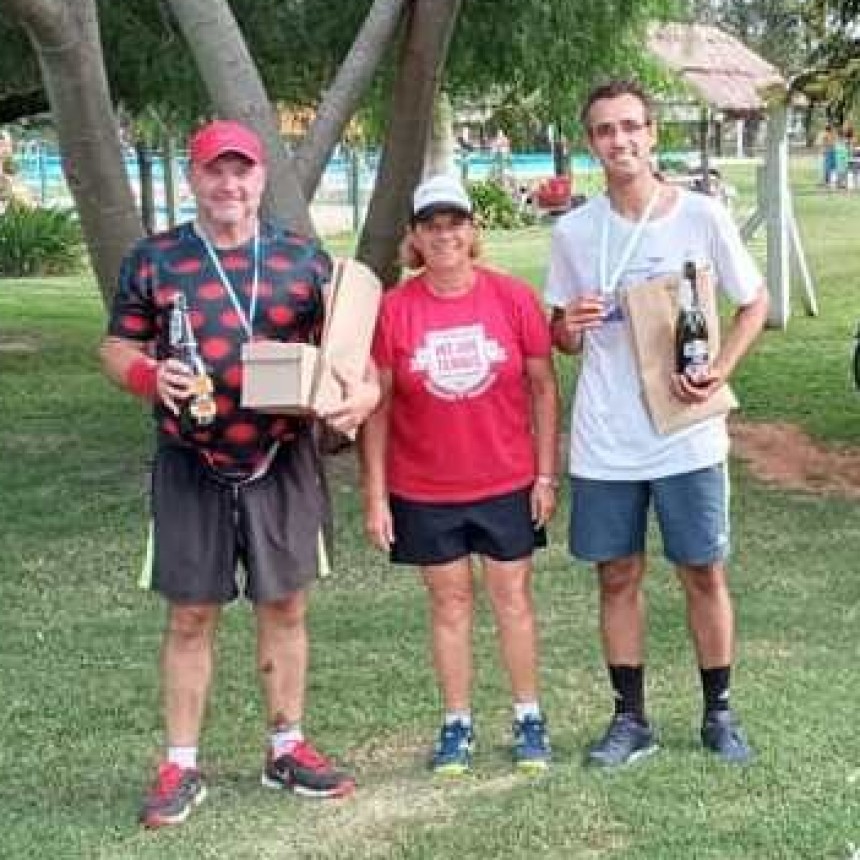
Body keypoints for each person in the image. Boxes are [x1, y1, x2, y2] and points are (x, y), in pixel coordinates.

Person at [100, 119, 379, 827]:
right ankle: (181, 765)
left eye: (242, 171)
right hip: (189, 460)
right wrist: (144, 375)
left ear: (261, 180)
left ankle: (287, 748)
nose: (229, 185)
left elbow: (354, 358)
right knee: (191, 611)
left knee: (285, 604)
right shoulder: (153, 260)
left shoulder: (302, 262)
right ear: (194, 178)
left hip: (281, 458)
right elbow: (115, 348)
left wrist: (361, 397)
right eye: (214, 172)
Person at [545, 80, 769, 768]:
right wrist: (570, 326)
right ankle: (630, 718)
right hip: (606, 440)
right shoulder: (574, 230)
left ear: (651, 134)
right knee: (617, 575)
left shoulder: (700, 216)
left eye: (632, 127)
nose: (621, 141)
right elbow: (561, 334)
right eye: (606, 131)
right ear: (592, 144)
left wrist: (720, 369)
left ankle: (719, 713)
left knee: (703, 571)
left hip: (686, 433)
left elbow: (753, 303)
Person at [359, 174, 559, 776]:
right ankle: (457, 724)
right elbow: (378, 407)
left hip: (505, 480)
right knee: (448, 605)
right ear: (415, 238)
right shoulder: (394, 311)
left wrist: (545, 475)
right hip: (425, 488)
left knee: (513, 599)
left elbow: (544, 388)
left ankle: (528, 717)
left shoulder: (513, 298)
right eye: (431, 226)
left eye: (455, 223)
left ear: (474, 231)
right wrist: (376, 496)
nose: (444, 235)